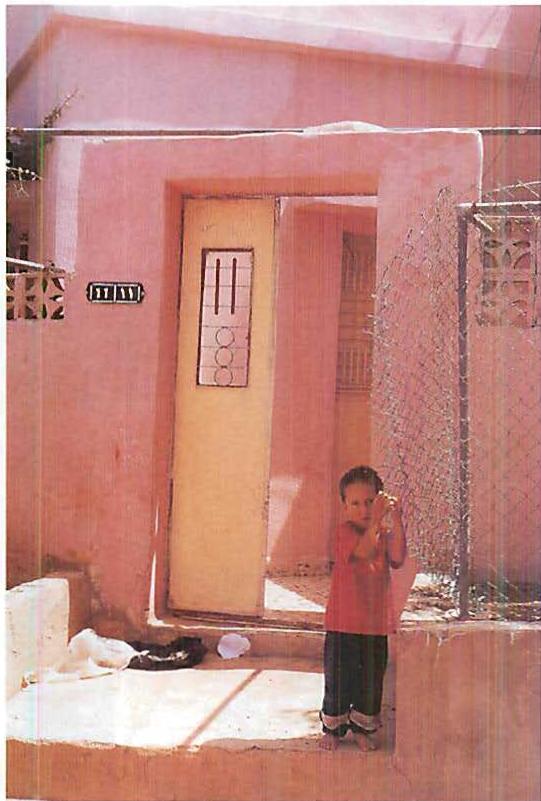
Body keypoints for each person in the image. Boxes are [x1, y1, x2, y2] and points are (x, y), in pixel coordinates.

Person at [319, 465, 407, 752]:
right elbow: (363, 551)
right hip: (343, 623)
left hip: (374, 624)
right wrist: (376, 525)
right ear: (344, 507)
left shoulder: (381, 532)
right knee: (338, 678)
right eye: (355, 503)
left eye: (370, 502)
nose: (364, 509)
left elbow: (398, 558)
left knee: (370, 680)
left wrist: (396, 519)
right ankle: (333, 728)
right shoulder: (344, 532)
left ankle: (361, 727)